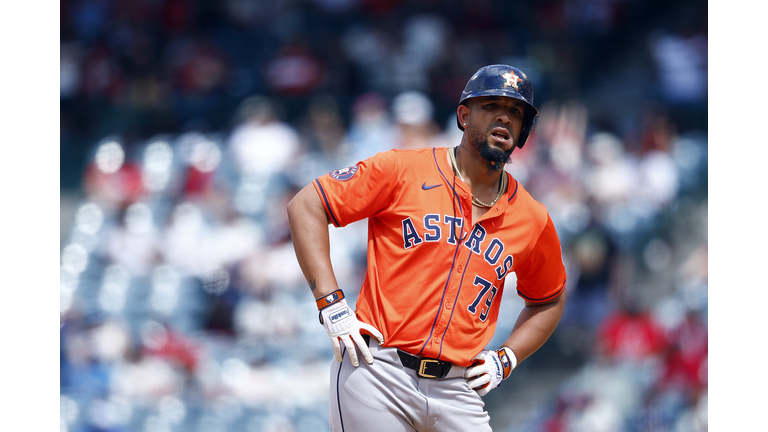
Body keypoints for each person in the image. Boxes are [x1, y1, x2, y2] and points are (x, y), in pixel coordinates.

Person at [287, 64, 567, 432]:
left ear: (524, 130)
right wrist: (330, 303)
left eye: (516, 111)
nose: (505, 116)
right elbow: (307, 205)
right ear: (464, 116)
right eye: (492, 105)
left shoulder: (532, 217)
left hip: (458, 387)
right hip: (378, 371)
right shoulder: (402, 169)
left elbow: (548, 298)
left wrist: (508, 357)